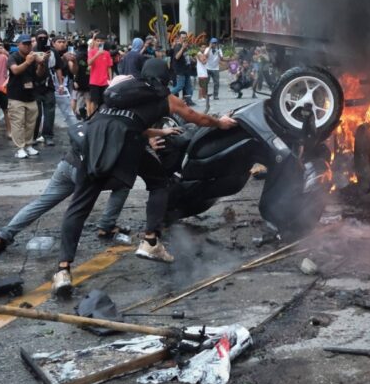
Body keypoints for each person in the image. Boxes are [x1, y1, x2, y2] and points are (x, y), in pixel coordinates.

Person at [51, 59, 237, 296]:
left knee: (78, 207)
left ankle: (63, 271)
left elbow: (123, 122)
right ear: (165, 78)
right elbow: (195, 117)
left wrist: (159, 131)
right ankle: (150, 241)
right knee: (159, 183)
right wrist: (220, 123)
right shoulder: (163, 96)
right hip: (125, 145)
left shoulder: (121, 91)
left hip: (93, 143)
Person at [0, 149, 133, 252]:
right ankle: (106, 226)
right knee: (123, 184)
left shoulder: (93, 118)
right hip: (86, 171)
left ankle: (2, 236)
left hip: (67, 164)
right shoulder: (119, 125)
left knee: (42, 202)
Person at [7, 34, 47, 158]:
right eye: (24, 44)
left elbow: (39, 74)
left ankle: (29, 145)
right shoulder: (13, 56)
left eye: (29, 44)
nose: (27, 46)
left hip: (31, 95)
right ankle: (19, 148)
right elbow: (15, 70)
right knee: (18, 123)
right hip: (16, 95)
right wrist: (27, 62)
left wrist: (41, 63)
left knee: (31, 123)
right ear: (18, 45)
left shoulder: (33, 57)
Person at [32, 29, 57, 146]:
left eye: (44, 37)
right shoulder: (32, 52)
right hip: (35, 86)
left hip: (48, 86)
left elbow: (57, 67)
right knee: (35, 114)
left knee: (50, 113)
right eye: (40, 37)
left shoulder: (52, 51)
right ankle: (33, 136)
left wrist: (61, 84)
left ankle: (48, 136)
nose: (42, 39)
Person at [87, 32, 112, 117]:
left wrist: (110, 80)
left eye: (101, 41)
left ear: (104, 42)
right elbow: (89, 63)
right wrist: (97, 54)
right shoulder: (91, 52)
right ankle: (92, 117)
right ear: (94, 41)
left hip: (105, 82)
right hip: (94, 81)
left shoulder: (107, 53)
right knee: (94, 101)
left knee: (104, 101)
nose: (99, 42)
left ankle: (101, 117)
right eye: (98, 41)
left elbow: (109, 67)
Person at [169, 32, 195, 106]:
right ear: (179, 38)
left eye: (185, 37)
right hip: (180, 70)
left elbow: (185, 56)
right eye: (182, 37)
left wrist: (191, 59)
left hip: (186, 69)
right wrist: (183, 48)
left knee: (189, 87)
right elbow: (177, 57)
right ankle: (167, 95)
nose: (184, 39)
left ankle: (188, 101)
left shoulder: (186, 46)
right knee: (180, 86)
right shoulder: (178, 46)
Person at [72, 40, 90, 119]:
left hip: (78, 80)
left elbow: (75, 70)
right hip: (88, 80)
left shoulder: (76, 56)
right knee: (88, 99)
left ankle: (76, 113)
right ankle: (88, 115)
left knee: (75, 98)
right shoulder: (90, 55)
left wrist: (75, 80)